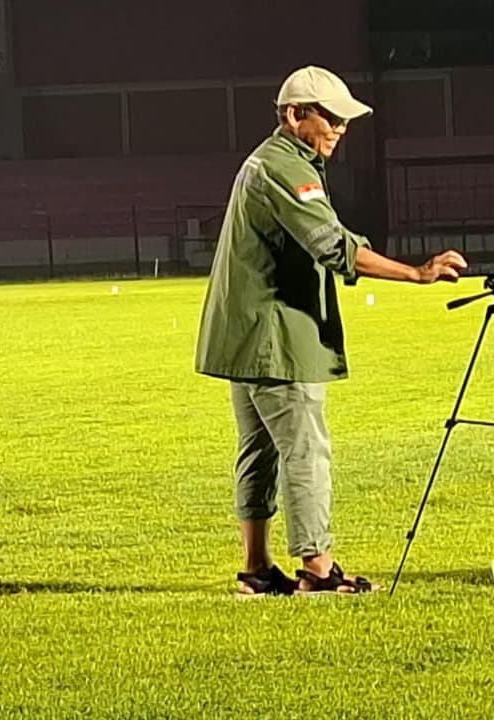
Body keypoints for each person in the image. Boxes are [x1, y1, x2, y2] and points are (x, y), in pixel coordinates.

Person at [194, 66, 467, 597]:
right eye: (332, 118)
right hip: (277, 336)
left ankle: (256, 567)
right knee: (305, 449)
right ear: (296, 115)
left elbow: (329, 234)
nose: (340, 128)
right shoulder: (287, 168)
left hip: (244, 335)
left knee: (258, 451)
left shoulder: (270, 163)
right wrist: (415, 273)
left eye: (345, 120)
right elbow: (333, 246)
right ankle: (317, 569)